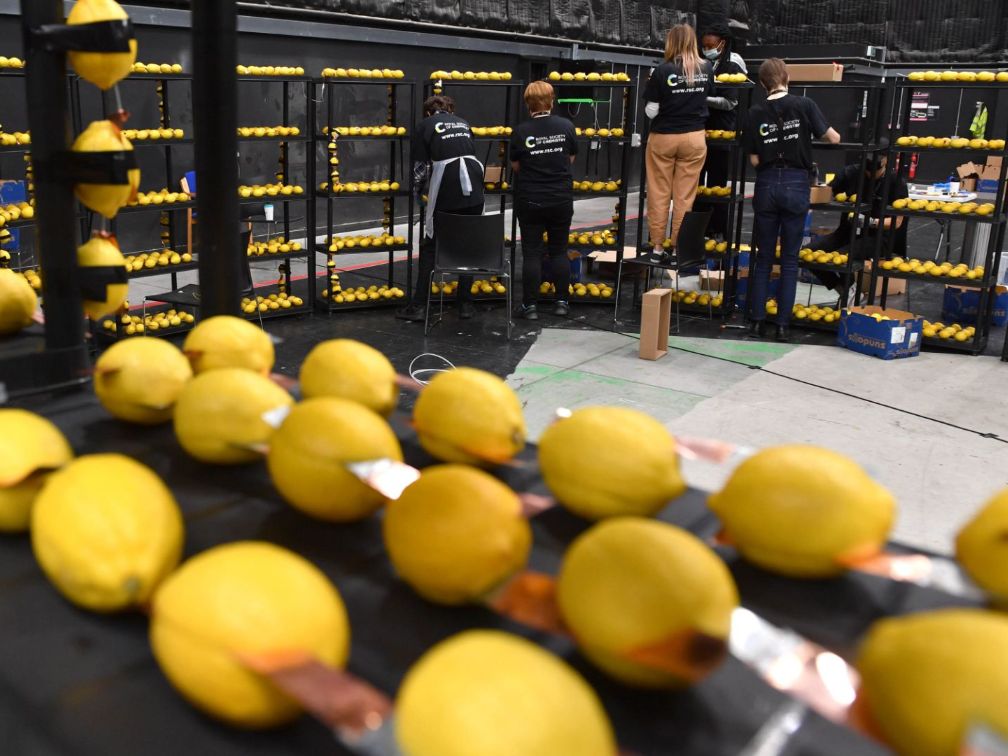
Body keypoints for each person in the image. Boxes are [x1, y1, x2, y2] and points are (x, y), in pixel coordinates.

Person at [743, 58, 841, 342]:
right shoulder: (804, 105)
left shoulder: (755, 112)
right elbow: (833, 138)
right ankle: (783, 325)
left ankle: (757, 321)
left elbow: (754, 158)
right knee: (789, 260)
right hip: (797, 184)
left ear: (762, 84)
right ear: (786, 78)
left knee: (763, 258)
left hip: (766, 183)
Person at [397, 95, 485, 322]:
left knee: (429, 245)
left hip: (447, 185)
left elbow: (420, 167)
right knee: (468, 245)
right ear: (450, 110)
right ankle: (465, 303)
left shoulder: (425, 125)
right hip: (474, 186)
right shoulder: (463, 122)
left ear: (428, 112)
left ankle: (419, 306)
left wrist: (418, 193)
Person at [643, 23, 715, 256]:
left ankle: (656, 245)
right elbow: (709, 98)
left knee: (658, 192)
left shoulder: (662, 71)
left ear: (671, 43)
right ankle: (677, 247)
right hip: (694, 137)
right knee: (685, 196)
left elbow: (651, 112)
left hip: (664, 136)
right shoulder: (707, 68)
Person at [509, 80, 578, 320]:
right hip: (560, 198)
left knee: (532, 253)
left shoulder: (520, 131)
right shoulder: (567, 126)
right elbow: (570, 158)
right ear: (552, 100)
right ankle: (561, 302)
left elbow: (516, 165)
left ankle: (530, 307)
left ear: (528, 103)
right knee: (559, 251)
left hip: (531, 200)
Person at [810, 139, 908, 299]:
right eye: (867, 171)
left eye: (874, 172)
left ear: (885, 162)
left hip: (877, 238)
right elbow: (826, 192)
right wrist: (813, 181)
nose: (870, 174)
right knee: (810, 253)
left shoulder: (896, 183)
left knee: (840, 258)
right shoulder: (850, 173)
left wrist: (872, 222)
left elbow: (897, 222)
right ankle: (844, 289)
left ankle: (849, 291)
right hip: (846, 232)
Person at [694, 23, 747, 239]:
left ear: (722, 44)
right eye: (704, 45)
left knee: (717, 185)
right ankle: (696, 231)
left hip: (722, 132)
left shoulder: (733, 63)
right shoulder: (701, 62)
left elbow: (730, 102)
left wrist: (699, 98)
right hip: (699, 131)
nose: (707, 49)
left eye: (711, 45)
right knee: (696, 185)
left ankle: (718, 232)